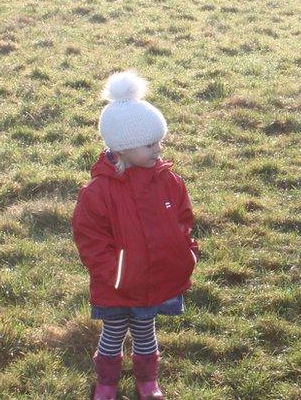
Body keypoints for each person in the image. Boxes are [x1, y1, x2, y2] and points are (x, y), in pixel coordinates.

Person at [72, 71, 199, 400]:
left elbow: (183, 219)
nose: (159, 149)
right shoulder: (98, 193)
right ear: (124, 147)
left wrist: (186, 251)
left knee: (146, 330)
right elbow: (91, 240)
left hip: (156, 278)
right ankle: (106, 383)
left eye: (159, 141)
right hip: (117, 284)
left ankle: (147, 381)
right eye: (150, 144)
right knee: (112, 333)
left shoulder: (169, 181)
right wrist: (114, 273)